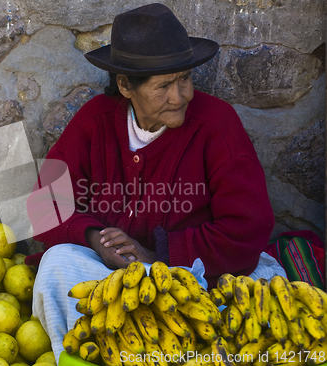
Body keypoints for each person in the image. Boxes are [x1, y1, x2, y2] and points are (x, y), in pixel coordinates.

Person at [25, 3, 286, 358]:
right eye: (163, 86)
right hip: (115, 281)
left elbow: (249, 227)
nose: (180, 96)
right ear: (124, 85)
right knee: (58, 266)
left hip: (196, 282)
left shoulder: (216, 125)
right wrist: (96, 240)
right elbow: (43, 206)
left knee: (257, 311)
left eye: (185, 79)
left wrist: (157, 253)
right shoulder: (94, 121)